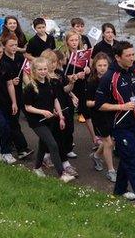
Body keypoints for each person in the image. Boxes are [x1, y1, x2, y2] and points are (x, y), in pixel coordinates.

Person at [95, 41, 135, 210]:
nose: (132, 58)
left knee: (128, 157)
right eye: (128, 56)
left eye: (133, 54)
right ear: (117, 57)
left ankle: (120, 189)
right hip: (120, 125)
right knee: (132, 161)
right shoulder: (109, 78)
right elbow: (100, 105)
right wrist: (121, 107)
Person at [23, 57, 75, 183]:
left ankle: (37, 168)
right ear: (34, 71)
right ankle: (62, 174)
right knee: (52, 144)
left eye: (45, 69)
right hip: (37, 121)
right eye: (40, 69)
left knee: (43, 144)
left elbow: (55, 100)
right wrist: (42, 112)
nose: (43, 71)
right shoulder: (30, 87)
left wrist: (61, 116)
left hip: (50, 119)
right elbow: (27, 107)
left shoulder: (51, 83)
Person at [41, 49, 78, 177]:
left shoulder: (59, 74)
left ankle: (45, 155)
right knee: (58, 137)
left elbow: (65, 90)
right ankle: (64, 164)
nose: (53, 64)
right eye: (51, 62)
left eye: (54, 62)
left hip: (63, 108)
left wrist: (72, 83)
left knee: (64, 134)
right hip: (52, 112)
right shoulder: (43, 79)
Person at [0, 33, 33, 160]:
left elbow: (24, 74)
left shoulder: (20, 57)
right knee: (13, 121)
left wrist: (30, 86)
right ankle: (21, 148)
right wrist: (9, 82)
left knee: (20, 118)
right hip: (6, 95)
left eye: (16, 45)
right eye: (11, 45)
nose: (14, 47)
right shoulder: (2, 60)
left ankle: (14, 142)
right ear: (4, 46)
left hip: (19, 93)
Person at [87, 53, 116, 182]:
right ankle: (111, 170)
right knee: (108, 142)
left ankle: (96, 155)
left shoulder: (113, 79)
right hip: (98, 115)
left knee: (112, 140)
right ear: (95, 66)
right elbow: (87, 102)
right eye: (99, 65)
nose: (102, 68)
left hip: (112, 113)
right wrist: (99, 102)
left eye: (105, 65)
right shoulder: (92, 82)